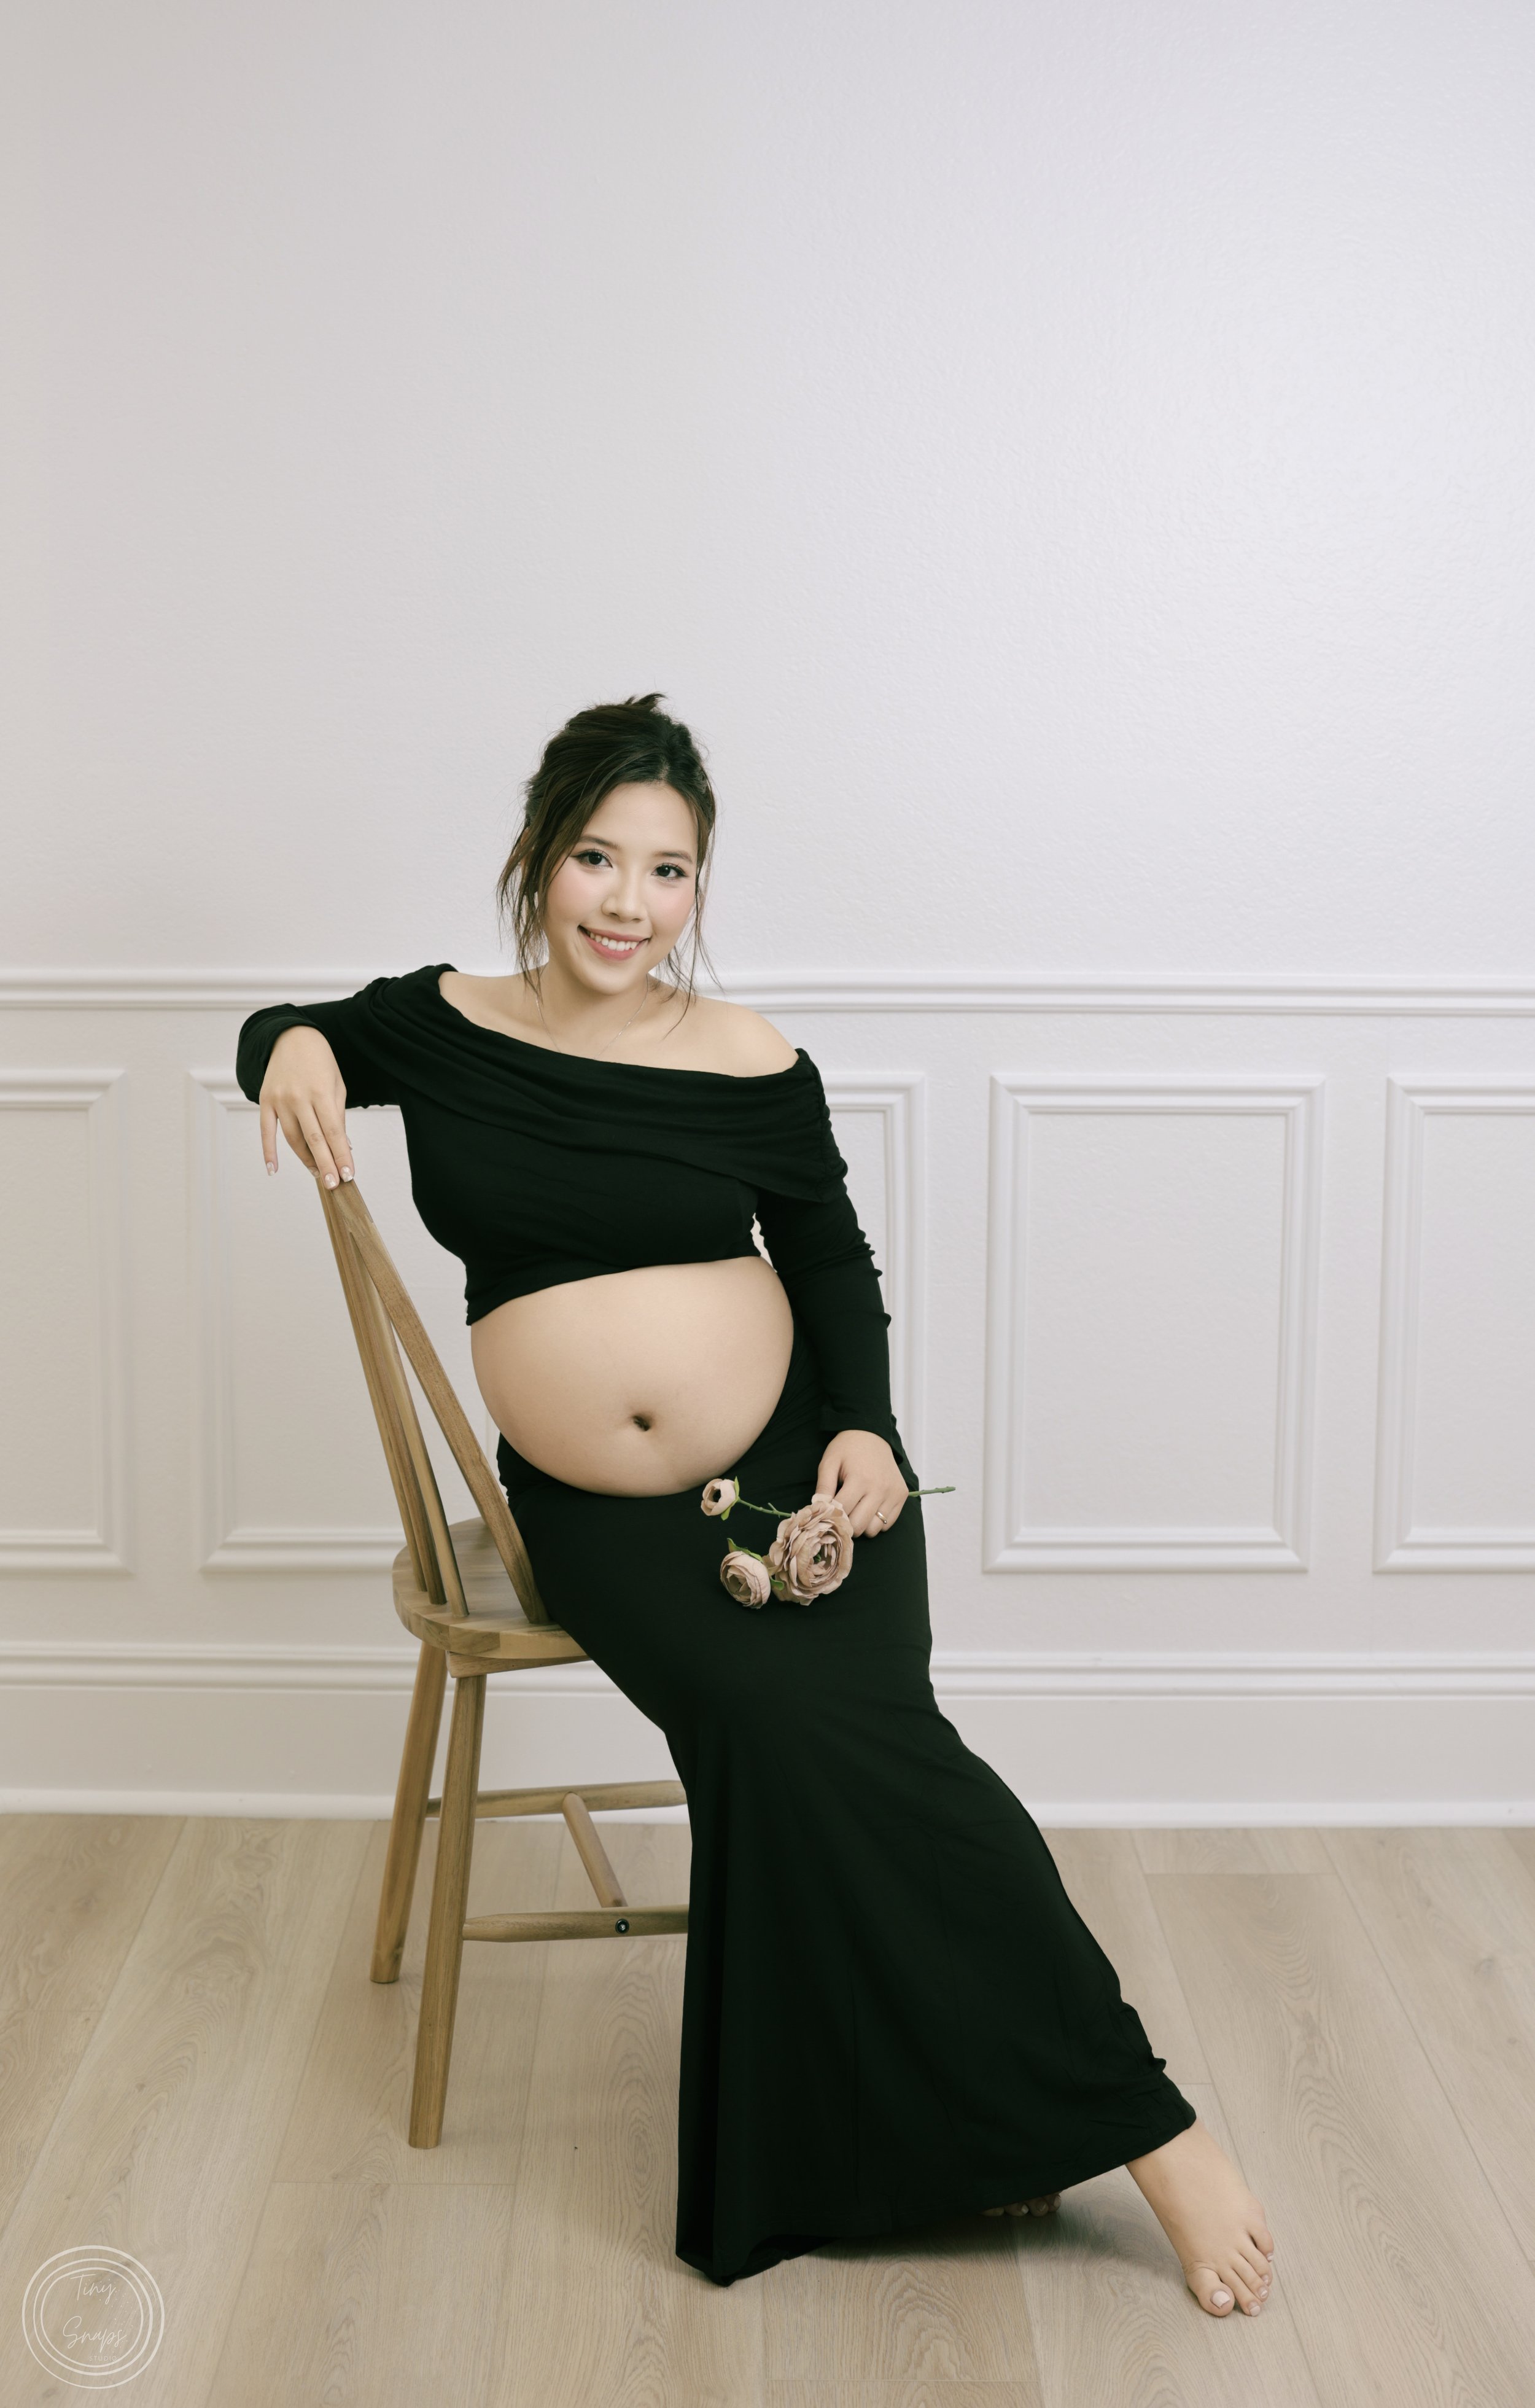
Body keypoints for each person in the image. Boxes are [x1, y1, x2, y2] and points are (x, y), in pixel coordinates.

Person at [236, 693, 1275, 2315]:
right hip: (594, 1514)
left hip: (801, 1471)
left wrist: (865, 1425)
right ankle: (1002, 2121)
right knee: (773, 1724)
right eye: (596, 857)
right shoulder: (438, 1023)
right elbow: (287, 1032)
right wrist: (292, 1038)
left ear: (695, 891)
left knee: (867, 1741)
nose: (626, 902)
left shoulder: (748, 1055)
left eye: (666, 871)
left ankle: (1149, 2128)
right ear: (536, 855)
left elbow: (829, 1259)